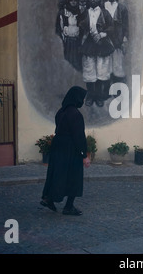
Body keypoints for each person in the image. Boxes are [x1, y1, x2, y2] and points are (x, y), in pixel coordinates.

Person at [41, 86, 91, 216]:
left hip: (58, 146)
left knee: (57, 173)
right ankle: (69, 206)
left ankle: (49, 198)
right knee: (74, 176)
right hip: (70, 148)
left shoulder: (61, 112)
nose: (84, 100)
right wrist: (84, 155)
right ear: (77, 98)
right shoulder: (75, 114)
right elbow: (79, 136)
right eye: (83, 98)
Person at [79, 0, 114, 107]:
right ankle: (90, 95)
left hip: (101, 45)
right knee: (89, 70)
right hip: (89, 44)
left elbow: (111, 27)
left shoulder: (105, 13)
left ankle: (98, 96)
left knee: (101, 70)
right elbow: (80, 24)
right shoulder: (85, 12)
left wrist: (102, 34)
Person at [104, 0, 129, 97]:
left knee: (117, 66)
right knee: (106, 66)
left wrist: (124, 39)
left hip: (118, 41)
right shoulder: (103, 6)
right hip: (105, 41)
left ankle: (118, 91)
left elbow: (125, 26)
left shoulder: (122, 9)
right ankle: (106, 91)